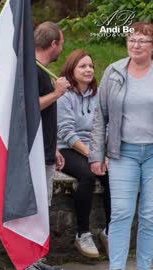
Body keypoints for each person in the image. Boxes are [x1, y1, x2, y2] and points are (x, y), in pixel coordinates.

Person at [89, 21, 153, 270]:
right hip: (122, 153)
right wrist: (96, 155)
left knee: (149, 216)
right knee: (121, 214)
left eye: (142, 40)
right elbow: (99, 116)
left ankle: (145, 266)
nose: (136, 45)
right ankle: (116, 267)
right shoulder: (113, 72)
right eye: (132, 40)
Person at [57, 49, 111, 258]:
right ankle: (83, 233)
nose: (88, 70)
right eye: (83, 66)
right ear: (72, 69)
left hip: (94, 146)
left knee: (111, 174)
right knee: (88, 176)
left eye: (90, 66)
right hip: (68, 148)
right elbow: (66, 132)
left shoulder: (98, 96)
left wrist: (103, 152)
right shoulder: (65, 96)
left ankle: (109, 231)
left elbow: (105, 127)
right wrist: (92, 154)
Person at [26, 21, 70, 270]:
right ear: (53, 44)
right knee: (35, 209)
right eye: (61, 43)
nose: (62, 48)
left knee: (43, 208)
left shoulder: (40, 71)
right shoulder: (33, 70)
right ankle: (29, 262)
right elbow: (30, 108)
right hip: (32, 154)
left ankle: (36, 260)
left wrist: (53, 147)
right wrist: (57, 93)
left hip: (45, 150)